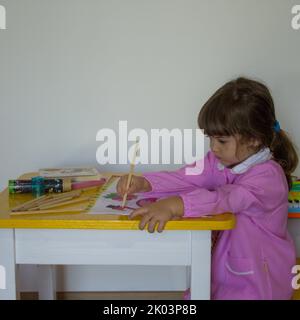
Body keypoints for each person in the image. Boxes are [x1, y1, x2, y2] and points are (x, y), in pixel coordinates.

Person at [117, 77, 298, 300]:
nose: (213, 147)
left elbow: (226, 198)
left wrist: (177, 205)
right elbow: (185, 177)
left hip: (260, 279)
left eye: (221, 141)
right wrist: (145, 183)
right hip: (225, 269)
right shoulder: (218, 161)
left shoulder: (268, 176)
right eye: (210, 138)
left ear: (253, 139)